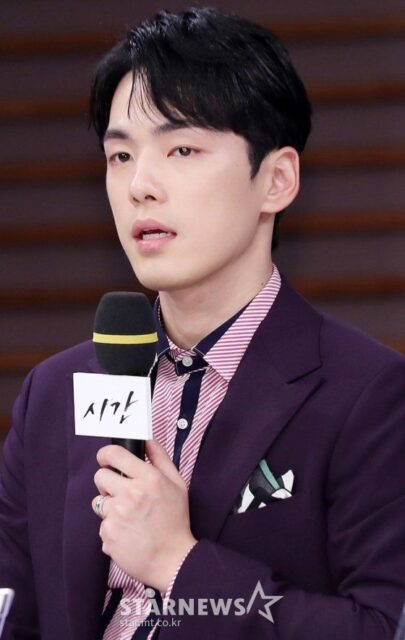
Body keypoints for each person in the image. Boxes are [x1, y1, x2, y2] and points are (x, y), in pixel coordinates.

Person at [0, 7, 404, 640]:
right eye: (120, 155)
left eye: (182, 149)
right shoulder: (53, 393)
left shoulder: (370, 395)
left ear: (276, 180)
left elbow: (381, 628)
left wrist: (179, 564)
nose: (140, 185)